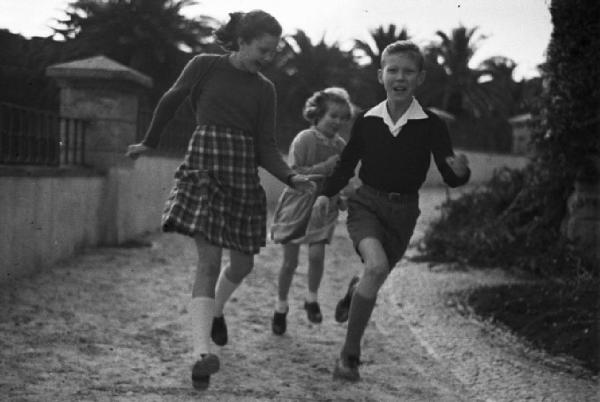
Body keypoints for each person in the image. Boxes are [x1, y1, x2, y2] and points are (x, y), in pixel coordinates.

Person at [125, 10, 317, 391]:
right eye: (263, 49)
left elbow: (266, 146)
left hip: (243, 178)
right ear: (242, 41)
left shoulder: (265, 88)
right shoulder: (205, 66)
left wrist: (292, 177)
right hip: (206, 171)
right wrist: (150, 140)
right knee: (209, 262)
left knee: (243, 265)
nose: (268, 58)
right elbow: (171, 99)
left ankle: (215, 312)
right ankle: (201, 353)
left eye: (273, 52)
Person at [312, 40, 471, 382]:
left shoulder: (431, 124)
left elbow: (449, 175)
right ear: (380, 74)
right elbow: (346, 164)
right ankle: (349, 356)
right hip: (366, 204)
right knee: (378, 265)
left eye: (408, 71)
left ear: (421, 78)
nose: (400, 77)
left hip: (404, 212)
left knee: (374, 274)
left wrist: (461, 171)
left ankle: (356, 290)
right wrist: (326, 194)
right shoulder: (368, 120)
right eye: (393, 70)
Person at [270, 87, 353, 335]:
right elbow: (293, 173)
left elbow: (341, 178)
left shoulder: (341, 145)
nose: (337, 122)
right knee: (290, 262)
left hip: (323, 206)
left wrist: (340, 197)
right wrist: (325, 166)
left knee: (317, 256)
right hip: (298, 203)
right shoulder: (304, 139)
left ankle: (311, 298)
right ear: (318, 114)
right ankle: (280, 306)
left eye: (342, 117)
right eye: (332, 116)